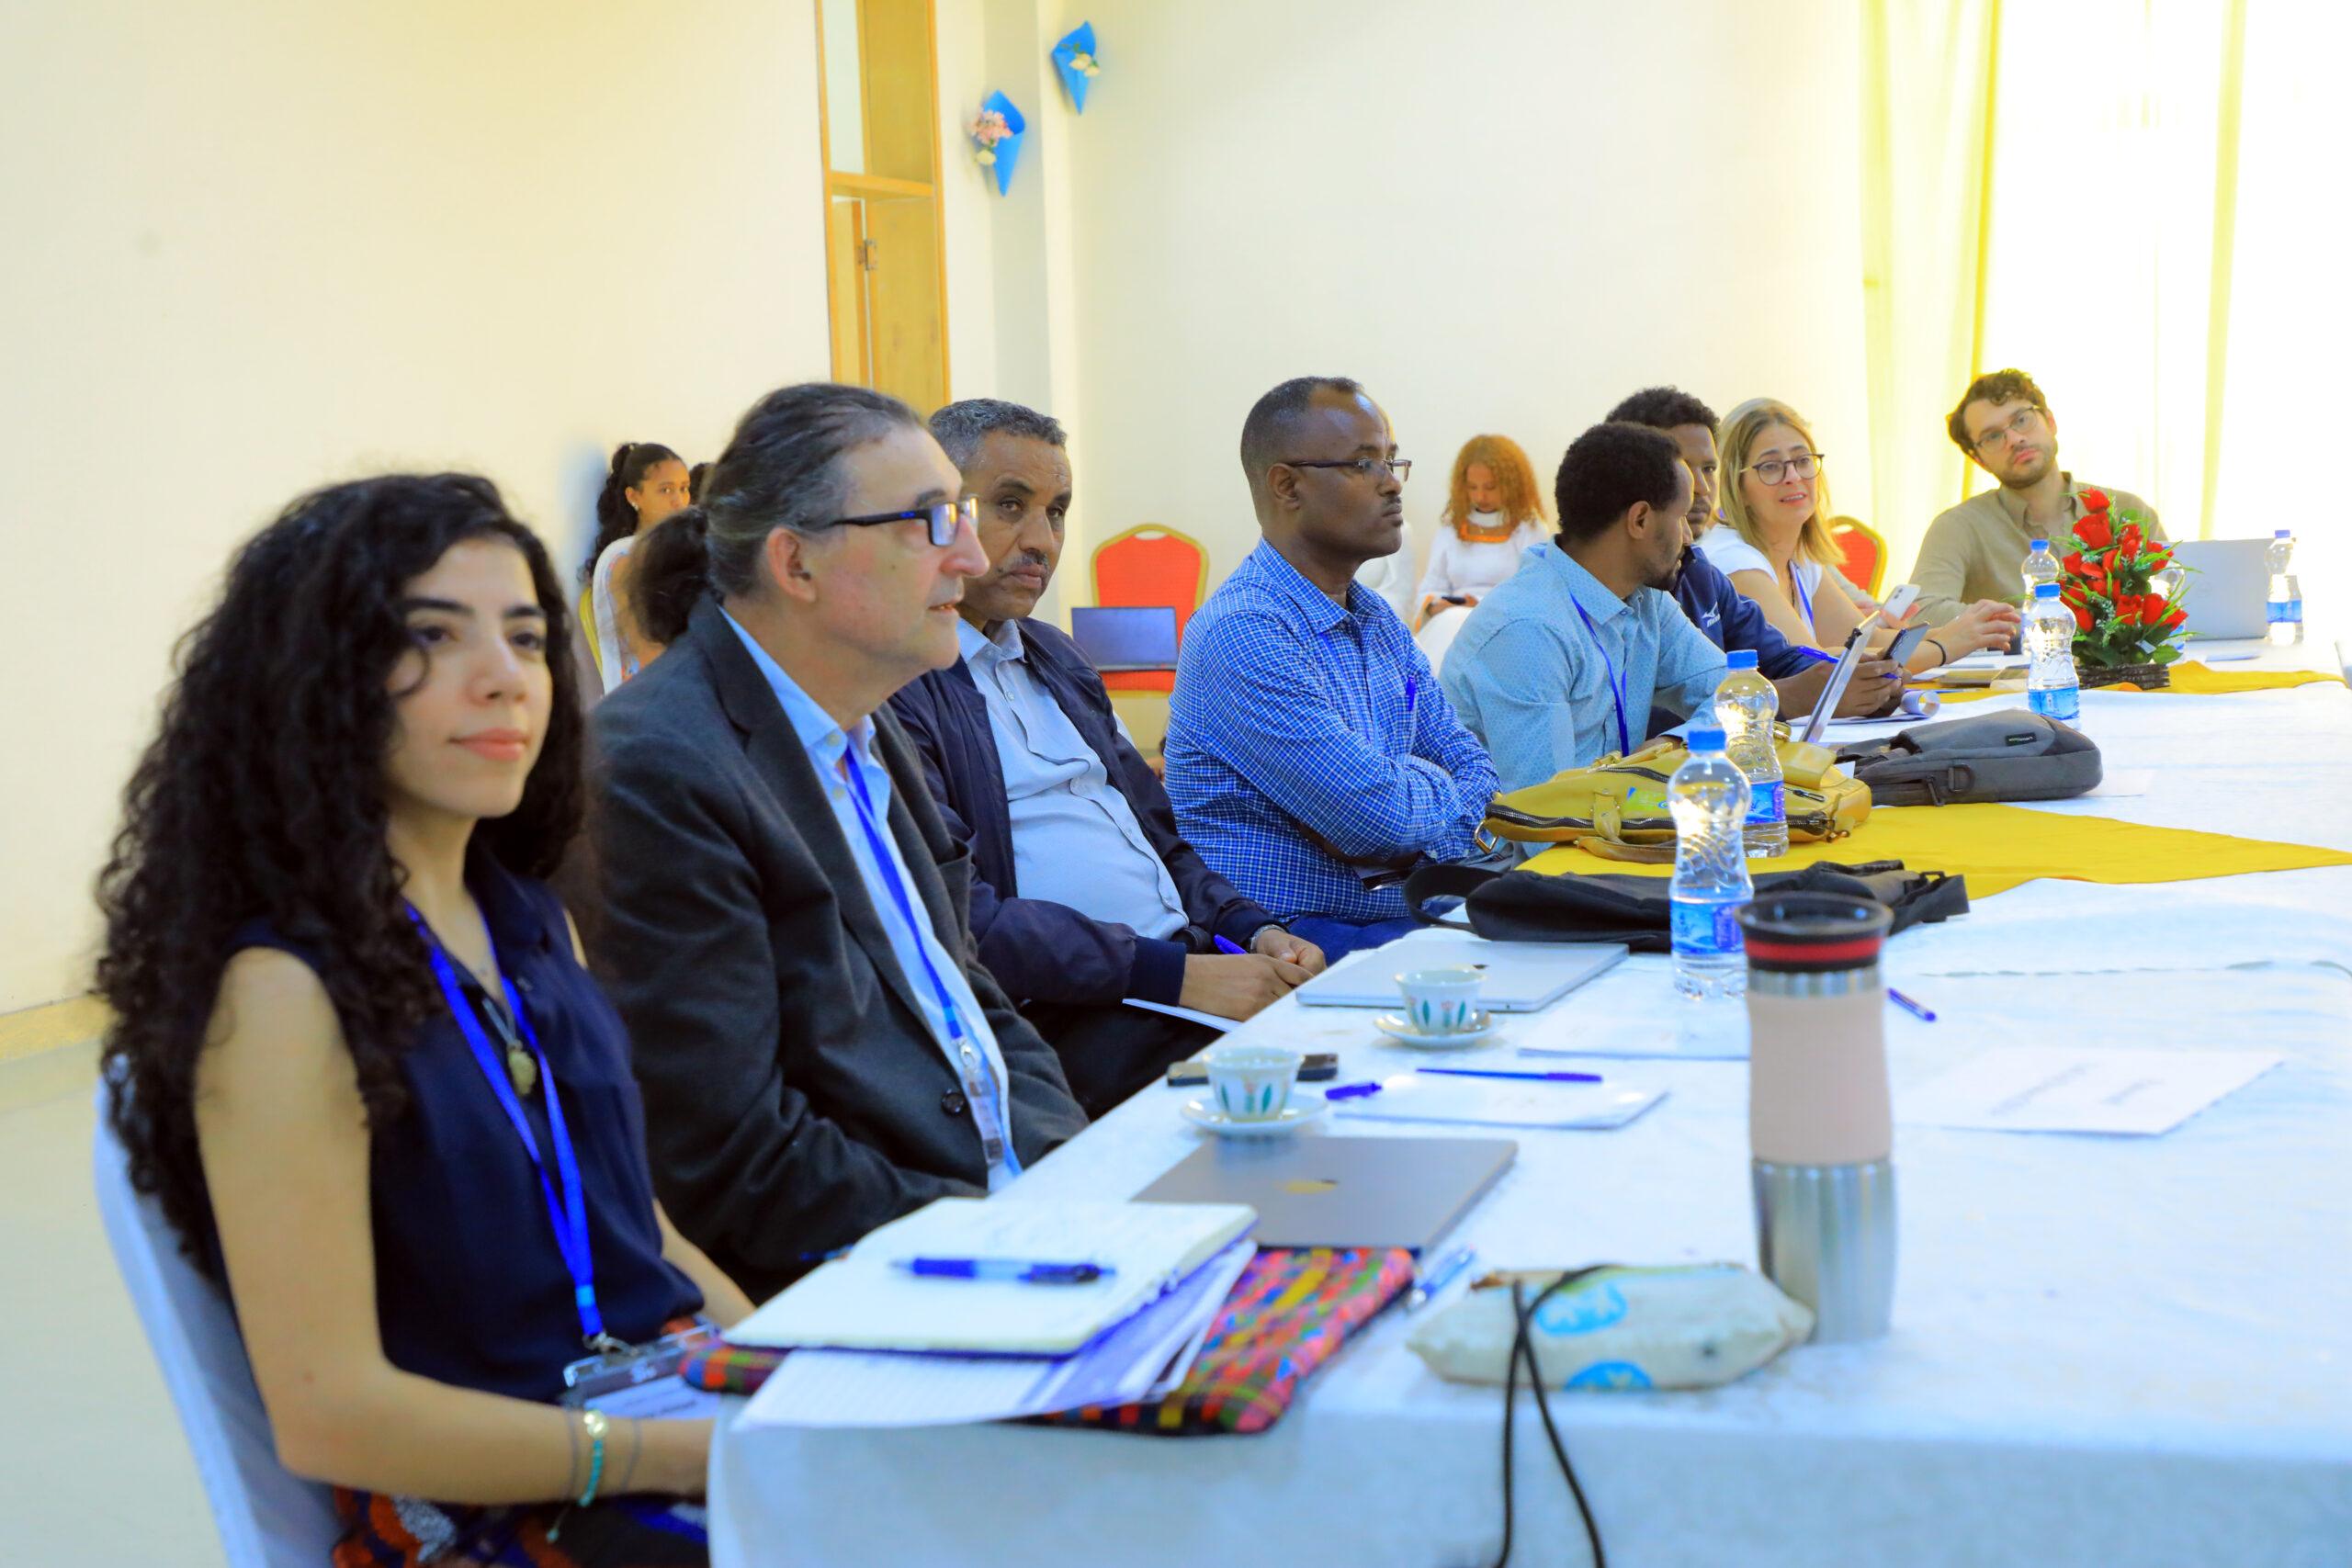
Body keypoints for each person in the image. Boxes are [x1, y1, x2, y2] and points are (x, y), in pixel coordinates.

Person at [95, 474, 752, 1566]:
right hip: (498, 1511)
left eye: (526, 637)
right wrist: (667, 1455)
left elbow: (651, 1236)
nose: (504, 677)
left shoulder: (534, 924)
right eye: (432, 637)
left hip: (664, 1425)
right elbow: (331, 1414)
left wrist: (782, 1376)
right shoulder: (282, 994)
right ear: (315, 682)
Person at [589, 383, 1089, 1299]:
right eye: (931, 522)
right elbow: (734, 1159)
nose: (970, 556)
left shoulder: (862, 715)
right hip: (861, 1280)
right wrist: (1008, 1233)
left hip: (999, 1223)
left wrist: (1074, 1175)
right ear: (796, 562)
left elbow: (968, 992)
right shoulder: (656, 767)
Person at [889, 399, 1326, 1112]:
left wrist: (1253, 928)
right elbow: (962, 917)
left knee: (1361, 1048)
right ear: (939, 516)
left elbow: (1161, 839)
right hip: (1063, 1013)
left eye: (1057, 512)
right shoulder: (903, 682)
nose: (1042, 540)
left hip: (1175, 974)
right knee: (1304, 1101)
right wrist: (1175, 977)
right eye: (1010, 505)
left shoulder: (1056, 658)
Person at [1164, 376, 1499, 961]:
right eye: (1364, 463)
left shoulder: (1376, 620)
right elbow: (1377, 817)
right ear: (1287, 486)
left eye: (1391, 460)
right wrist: (1407, 806)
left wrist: (1403, 809)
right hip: (1294, 937)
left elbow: (1476, 771)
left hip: (1407, 906)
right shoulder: (1245, 630)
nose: (1391, 483)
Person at [1442, 423, 1734, 789]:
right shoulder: (1529, 629)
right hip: (1532, 826)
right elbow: (1545, 808)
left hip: (1604, 815)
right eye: (1681, 517)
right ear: (1640, 520)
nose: (1688, 537)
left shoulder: (1647, 600)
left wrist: (1672, 746)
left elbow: (1737, 696)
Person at [1605, 386, 1901, 731]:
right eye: (1683, 469)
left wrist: (1856, 679)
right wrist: (1799, 693)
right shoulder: (1602, 596)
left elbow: (1777, 658)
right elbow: (1689, 710)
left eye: (1709, 469)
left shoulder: (1698, 571)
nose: (1701, 487)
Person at [1707, 398, 2018, 671]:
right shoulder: (1734, 561)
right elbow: (1813, 664)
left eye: (1802, 461)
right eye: (1771, 467)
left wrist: (1964, 631)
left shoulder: (1799, 557)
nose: (1793, 476)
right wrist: (1944, 647)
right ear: (1737, 487)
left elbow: (1863, 640)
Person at [1912, 367, 2164, 625]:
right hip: (2013, 652)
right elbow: (1922, 612)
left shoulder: (2128, 510)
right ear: (1979, 460)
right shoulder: (1958, 526)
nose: (2014, 439)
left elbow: (2175, 599)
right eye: (1993, 436)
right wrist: (2034, 622)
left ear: (2050, 422)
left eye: (2022, 420)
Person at [578, 442, 693, 694]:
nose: (679, 501)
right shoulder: (625, 559)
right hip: (648, 696)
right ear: (633, 497)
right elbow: (649, 654)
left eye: (684, 489)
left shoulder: (677, 551)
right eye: (665, 490)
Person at [1412, 434, 1550, 624]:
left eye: (1490, 487)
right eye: (1472, 487)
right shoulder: (1451, 528)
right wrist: (1437, 606)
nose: (1480, 496)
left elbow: (1535, 591)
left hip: (1505, 623)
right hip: (1451, 622)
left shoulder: (1529, 527)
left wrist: (1479, 605)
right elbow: (1431, 588)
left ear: (1512, 485)